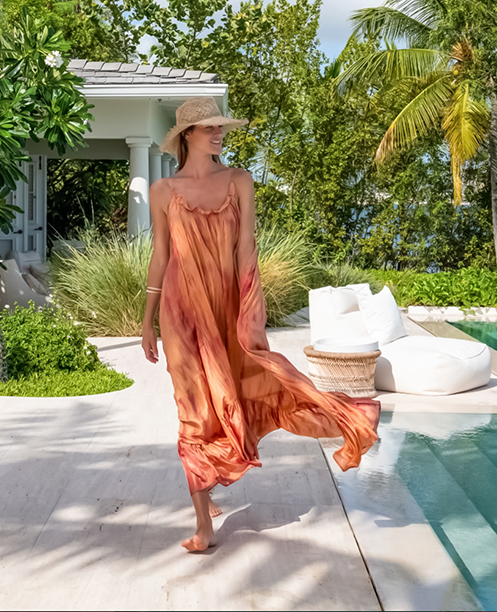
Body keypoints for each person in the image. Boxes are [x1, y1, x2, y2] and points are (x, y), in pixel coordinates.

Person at [141, 97, 381, 552]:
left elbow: (246, 249)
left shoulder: (239, 181)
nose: (218, 134)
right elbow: (161, 255)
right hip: (182, 311)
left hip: (228, 307)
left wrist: (248, 310)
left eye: (220, 127)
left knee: (236, 389)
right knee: (193, 405)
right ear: (187, 135)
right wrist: (147, 319)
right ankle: (203, 523)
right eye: (209, 127)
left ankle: (344, 419)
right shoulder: (163, 191)